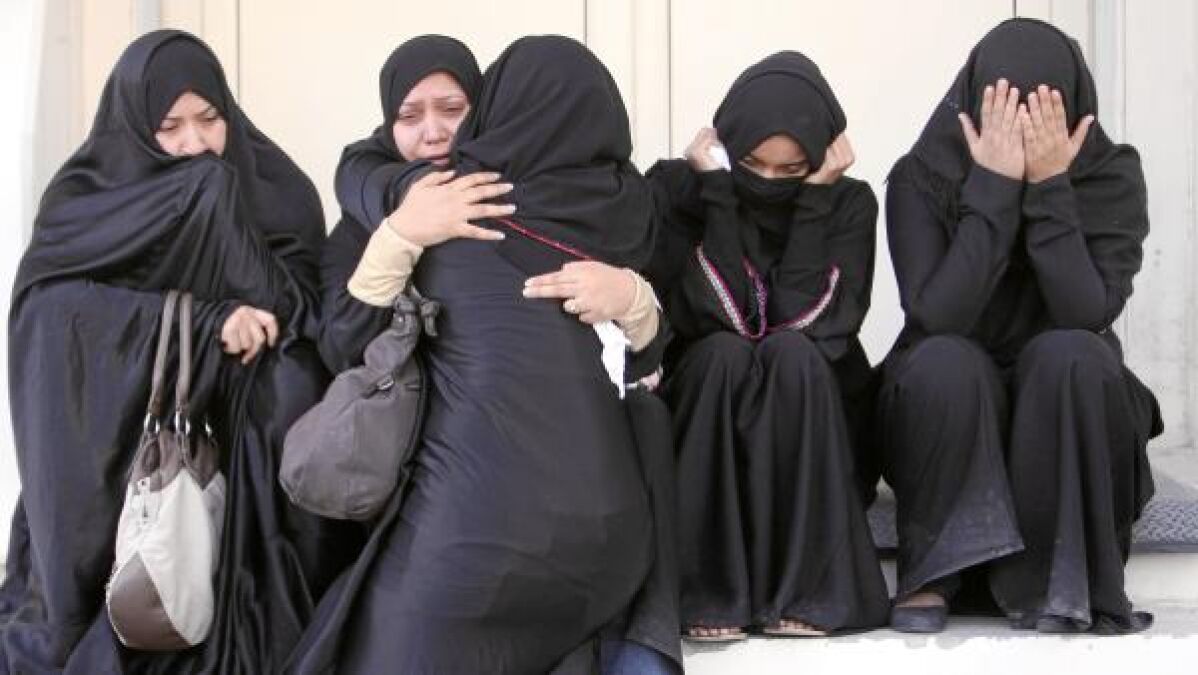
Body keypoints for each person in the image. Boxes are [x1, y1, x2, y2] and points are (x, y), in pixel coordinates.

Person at [286, 35, 679, 673]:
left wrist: (635, 300)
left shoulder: (490, 218)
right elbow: (343, 344)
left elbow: (639, 368)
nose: (434, 131)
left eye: (453, 109)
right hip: (588, 538)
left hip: (474, 534)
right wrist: (399, 229)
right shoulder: (620, 214)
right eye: (410, 115)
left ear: (489, 109)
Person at [0, 30, 355, 673]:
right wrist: (199, 321)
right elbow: (48, 318)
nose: (196, 144)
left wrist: (217, 211)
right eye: (170, 127)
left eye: (210, 119)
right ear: (136, 127)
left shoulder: (275, 188)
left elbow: (301, 312)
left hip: (243, 424)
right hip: (134, 436)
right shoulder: (85, 198)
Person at [879, 18, 1162, 634]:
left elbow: (1085, 312)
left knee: (1072, 353)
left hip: (1064, 398)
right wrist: (993, 188)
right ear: (973, 106)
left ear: (1077, 110)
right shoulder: (920, 178)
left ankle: (1059, 579)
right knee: (945, 360)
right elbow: (938, 316)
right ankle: (934, 573)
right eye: (1005, 114)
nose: (1025, 131)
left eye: (1045, 115)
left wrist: (1051, 186)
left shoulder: (1110, 177)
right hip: (949, 398)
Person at [645, 51, 889, 640]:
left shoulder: (848, 203)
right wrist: (718, 194)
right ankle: (706, 591)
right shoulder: (676, 191)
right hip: (706, 401)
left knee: (792, 355)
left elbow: (803, 324)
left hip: (812, 406)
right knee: (722, 353)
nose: (769, 182)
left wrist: (815, 201)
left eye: (791, 170)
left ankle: (811, 590)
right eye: (752, 165)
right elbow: (717, 315)